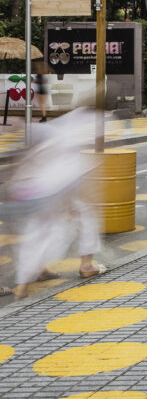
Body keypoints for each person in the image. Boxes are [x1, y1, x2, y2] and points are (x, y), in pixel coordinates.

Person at [0, 108, 105, 299]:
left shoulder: (53, 130)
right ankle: (86, 264)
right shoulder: (70, 138)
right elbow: (68, 177)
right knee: (67, 224)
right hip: (46, 191)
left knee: (38, 231)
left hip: (28, 191)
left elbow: (23, 161)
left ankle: (32, 276)